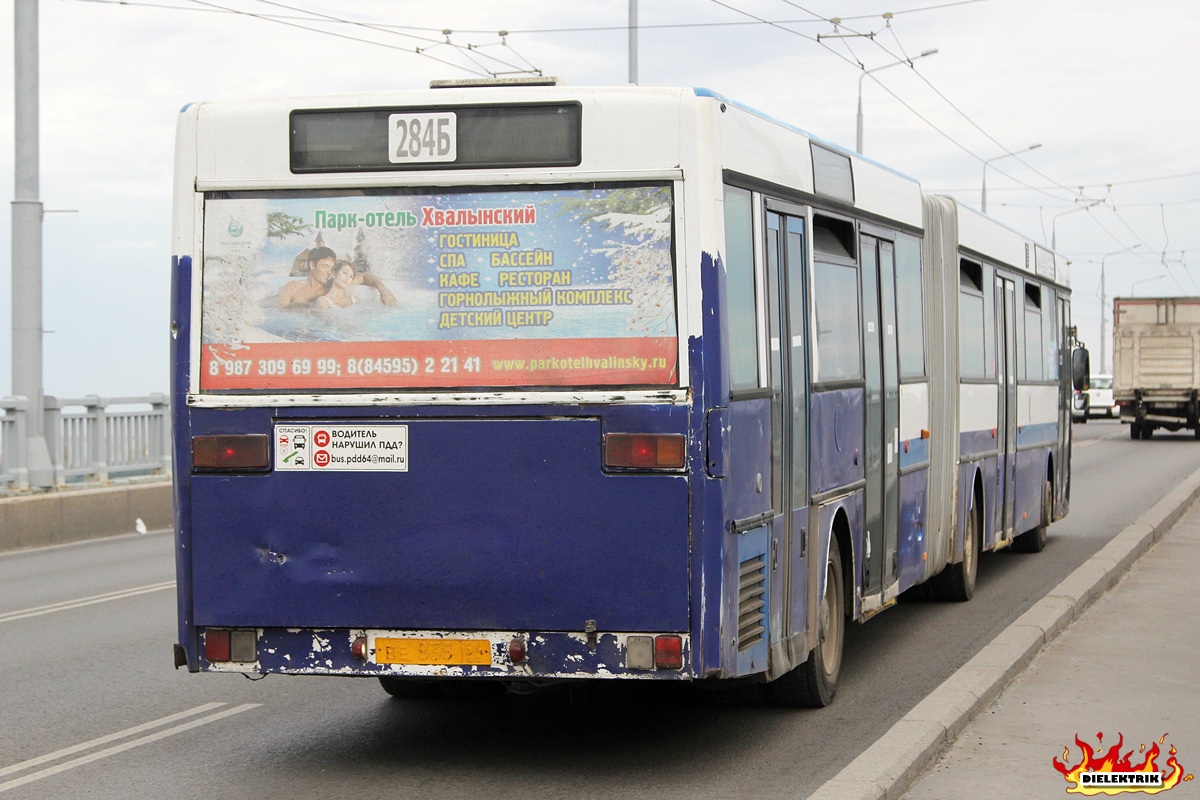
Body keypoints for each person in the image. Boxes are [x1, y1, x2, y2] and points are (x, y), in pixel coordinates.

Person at [276, 246, 397, 308]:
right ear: (312, 265)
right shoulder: (293, 288)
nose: (329, 271)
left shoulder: (333, 283)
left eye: (331, 267)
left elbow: (365, 277)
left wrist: (383, 290)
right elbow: (279, 312)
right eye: (325, 266)